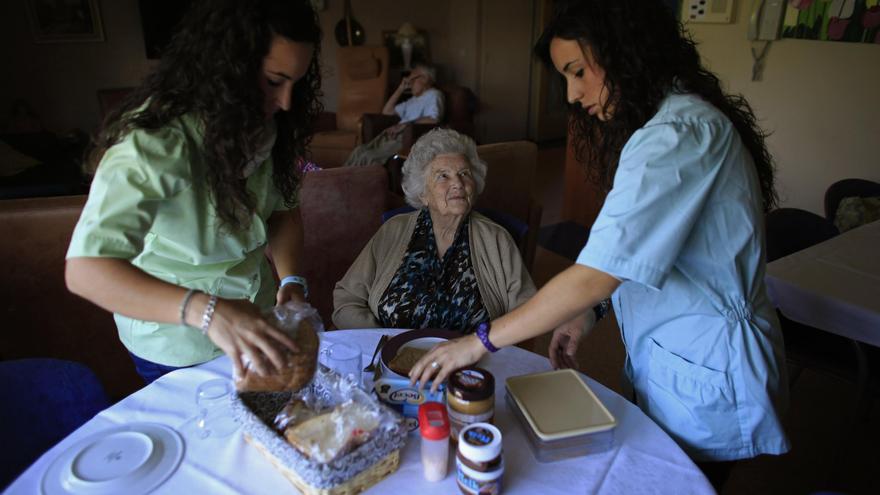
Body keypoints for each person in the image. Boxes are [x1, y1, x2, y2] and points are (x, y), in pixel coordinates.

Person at [409, 0, 790, 485]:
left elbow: (596, 272)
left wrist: (478, 341)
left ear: (625, 53)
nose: (571, 94)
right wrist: (590, 313)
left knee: (684, 481)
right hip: (673, 354)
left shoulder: (678, 134)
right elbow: (645, 249)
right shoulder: (663, 126)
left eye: (578, 72)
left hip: (707, 370)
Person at [65, 0, 323, 384]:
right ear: (226, 67)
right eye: (273, 81)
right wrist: (209, 311)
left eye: (295, 84)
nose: (286, 102)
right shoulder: (155, 142)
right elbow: (86, 270)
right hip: (175, 341)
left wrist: (290, 280)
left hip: (257, 321)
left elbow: (282, 212)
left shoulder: (271, 127)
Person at [333, 128, 533, 331]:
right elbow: (347, 299)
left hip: (472, 360)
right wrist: (381, 342)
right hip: (393, 356)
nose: (457, 183)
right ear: (423, 194)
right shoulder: (393, 230)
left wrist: (484, 346)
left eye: (464, 173)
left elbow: (529, 310)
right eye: (443, 176)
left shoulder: (496, 238)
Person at [343, 64, 444, 167]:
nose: (409, 82)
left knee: (368, 156)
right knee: (359, 150)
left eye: (412, 79)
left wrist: (405, 125)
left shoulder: (433, 94)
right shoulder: (412, 100)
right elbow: (386, 112)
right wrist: (400, 89)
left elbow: (434, 119)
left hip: (406, 137)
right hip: (392, 135)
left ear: (425, 79)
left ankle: (351, 180)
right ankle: (339, 178)